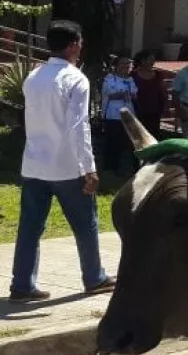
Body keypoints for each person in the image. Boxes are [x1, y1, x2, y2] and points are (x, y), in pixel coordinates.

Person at [9, 20, 115, 302]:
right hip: (67, 166)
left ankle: (22, 284)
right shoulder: (76, 79)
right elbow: (79, 126)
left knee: (30, 228)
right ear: (72, 45)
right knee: (86, 224)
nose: (81, 47)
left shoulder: (33, 77)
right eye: (79, 42)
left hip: (34, 164)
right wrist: (89, 167)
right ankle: (94, 278)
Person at [100, 54, 137, 174]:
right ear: (115, 66)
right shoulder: (110, 78)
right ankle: (110, 167)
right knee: (113, 141)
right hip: (113, 115)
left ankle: (126, 166)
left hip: (128, 114)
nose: (126, 66)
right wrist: (123, 94)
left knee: (128, 141)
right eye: (122, 63)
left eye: (128, 64)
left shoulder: (130, 79)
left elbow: (134, 94)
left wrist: (125, 94)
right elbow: (110, 93)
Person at [130, 51, 168, 138]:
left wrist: (165, 106)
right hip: (137, 111)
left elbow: (163, 91)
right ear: (142, 61)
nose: (152, 62)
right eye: (150, 59)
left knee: (153, 134)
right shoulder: (133, 75)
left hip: (155, 110)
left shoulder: (158, 74)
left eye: (153, 60)